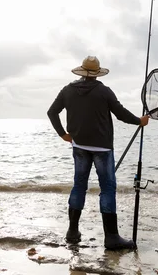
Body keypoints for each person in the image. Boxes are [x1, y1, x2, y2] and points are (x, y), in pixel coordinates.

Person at [46, 55, 149, 251]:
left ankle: (72, 233)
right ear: (97, 73)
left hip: (79, 147)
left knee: (79, 186)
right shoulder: (104, 91)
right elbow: (120, 113)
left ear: (82, 71)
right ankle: (111, 238)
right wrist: (139, 121)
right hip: (102, 149)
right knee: (108, 189)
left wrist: (63, 135)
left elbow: (52, 112)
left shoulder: (68, 90)